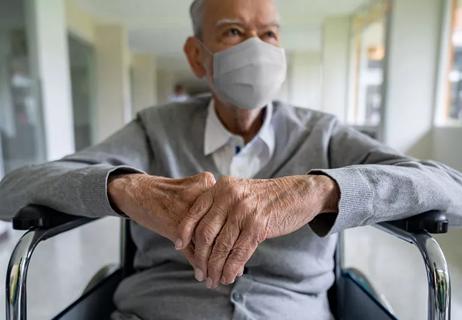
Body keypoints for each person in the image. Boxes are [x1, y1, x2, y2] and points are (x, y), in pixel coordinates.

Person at [1, 0, 462, 319]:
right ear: (197, 57)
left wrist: (319, 189)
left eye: (269, 34)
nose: (256, 48)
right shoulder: (154, 129)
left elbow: (451, 189)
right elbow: (13, 191)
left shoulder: (322, 133)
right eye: (235, 32)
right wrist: (128, 188)